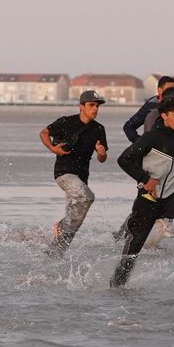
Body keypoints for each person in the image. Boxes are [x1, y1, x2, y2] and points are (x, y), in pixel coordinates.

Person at [110, 94, 174, 287]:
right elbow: (124, 160)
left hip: (169, 196)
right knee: (133, 251)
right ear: (164, 115)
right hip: (148, 199)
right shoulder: (151, 137)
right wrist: (145, 179)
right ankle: (116, 286)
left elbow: (173, 156)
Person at [40, 90, 109, 255]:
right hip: (64, 173)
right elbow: (44, 133)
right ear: (81, 107)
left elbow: (102, 158)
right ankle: (60, 227)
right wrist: (52, 148)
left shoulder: (99, 129)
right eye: (91, 105)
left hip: (82, 177)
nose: (95, 109)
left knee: (76, 218)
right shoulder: (66, 122)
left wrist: (101, 153)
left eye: (97, 106)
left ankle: (55, 252)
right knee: (87, 198)